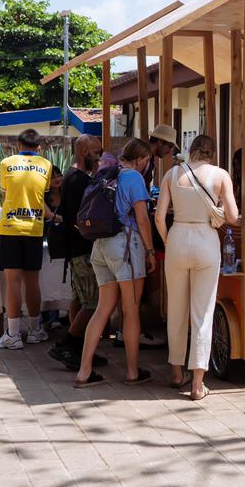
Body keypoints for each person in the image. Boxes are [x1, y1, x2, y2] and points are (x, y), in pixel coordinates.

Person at [155, 134, 239, 401]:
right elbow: (233, 216)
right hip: (206, 241)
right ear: (212, 153)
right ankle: (197, 384)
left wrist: (168, 241)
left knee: (176, 309)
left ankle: (176, 373)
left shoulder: (172, 174)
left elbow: (159, 217)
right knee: (202, 313)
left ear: (190, 150)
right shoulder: (221, 175)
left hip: (178, 238)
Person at [74, 138, 156, 387]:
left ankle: (84, 371)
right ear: (141, 160)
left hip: (100, 246)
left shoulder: (108, 172)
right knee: (131, 310)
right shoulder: (134, 177)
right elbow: (142, 219)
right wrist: (150, 251)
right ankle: (132, 372)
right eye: (146, 161)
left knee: (102, 309)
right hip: (125, 246)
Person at [48, 133, 107, 371]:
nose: (99, 158)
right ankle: (67, 345)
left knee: (79, 299)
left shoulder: (71, 177)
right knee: (92, 303)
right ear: (85, 152)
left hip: (75, 248)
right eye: (97, 153)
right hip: (82, 249)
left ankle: (81, 350)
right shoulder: (80, 181)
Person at [0, 129, 54, 350]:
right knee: (32, 281)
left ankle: (13, 334)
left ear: (18, 145)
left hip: (10, 228)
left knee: (13, 282)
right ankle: (35, 330)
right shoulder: (46, 165)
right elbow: (43, 194)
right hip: (34, 229)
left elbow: (5, 193)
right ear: (38, 147)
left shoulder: (6, 163)